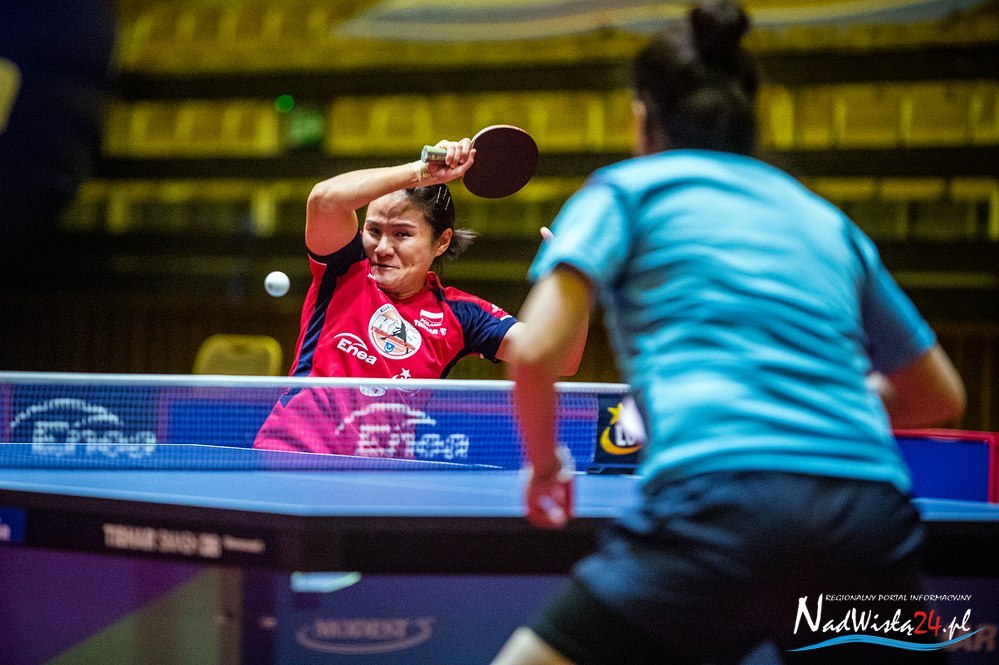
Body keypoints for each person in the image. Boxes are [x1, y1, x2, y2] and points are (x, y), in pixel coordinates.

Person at [494, 2, 966, 664]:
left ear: (642, 115)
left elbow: (535, 351)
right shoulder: (823, 219)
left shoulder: (624, 191)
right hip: (865, 521)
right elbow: (938, 395)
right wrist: (811, 401)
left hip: (717, 506)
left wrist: (545, 468)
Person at [254, 139, 585, 455]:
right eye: (374, 231)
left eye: (402, 234)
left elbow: (560, 359)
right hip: (292, 456)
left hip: (380, 477)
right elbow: (324, 200)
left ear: (441, 242)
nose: (383, 248)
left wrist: (576, 278)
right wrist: (421, 171)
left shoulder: (460, 314)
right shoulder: (345, 269)